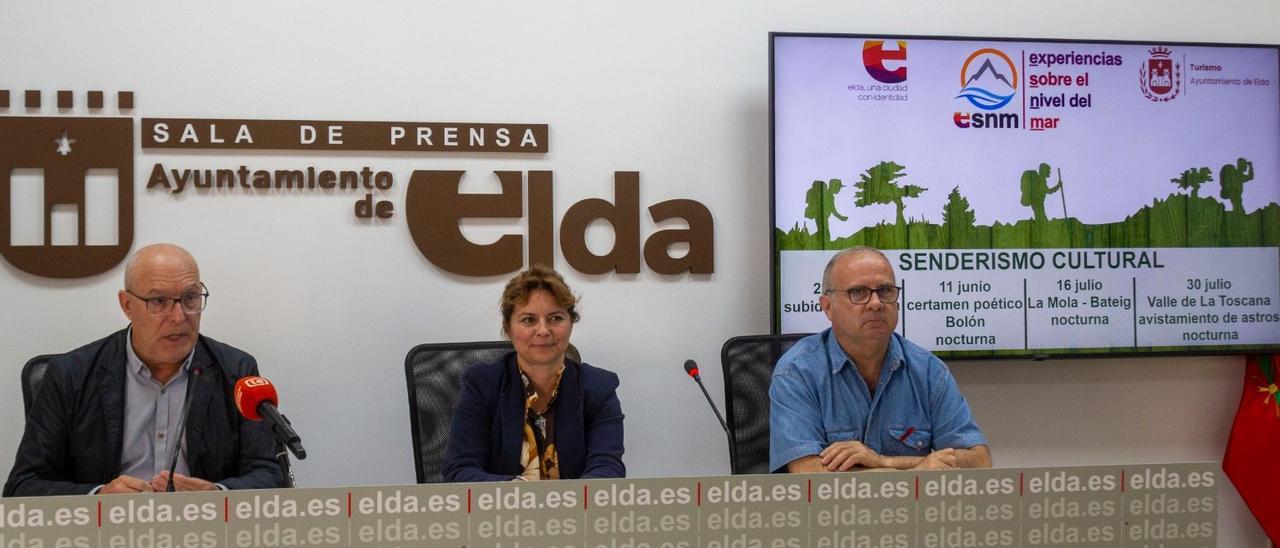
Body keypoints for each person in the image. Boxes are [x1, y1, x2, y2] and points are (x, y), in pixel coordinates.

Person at [4, 244, 283, 496]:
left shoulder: (236, 371)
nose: (178, 317)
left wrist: (217, 493)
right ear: (127, 305)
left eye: (190, 298)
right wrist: (98, 497)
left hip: (201, 531)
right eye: (158, 302)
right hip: (104, 534)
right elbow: (23, 486)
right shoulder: (70, 375)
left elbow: (270, 475)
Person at [769, 246, 991, 473]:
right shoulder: (796, 371)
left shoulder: (928, 371)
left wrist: (884, 462)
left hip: (914, 508)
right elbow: (807, 473)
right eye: (858, 292)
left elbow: (979, 462)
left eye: (885, 291)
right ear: (828, 307)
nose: (875, 303)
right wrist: (913, 473)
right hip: (832, 509)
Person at [444, 265, 625, 482]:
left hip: (577, 512)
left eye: (555, 318)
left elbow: (607, 469)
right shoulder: (482, 384)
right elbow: (460, 470)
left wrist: (567, 501)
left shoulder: (598, 387)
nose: (543, 330)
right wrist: (522, 497)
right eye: (529, 320)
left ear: (571, 324)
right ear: (508, 328)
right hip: (500, 513)